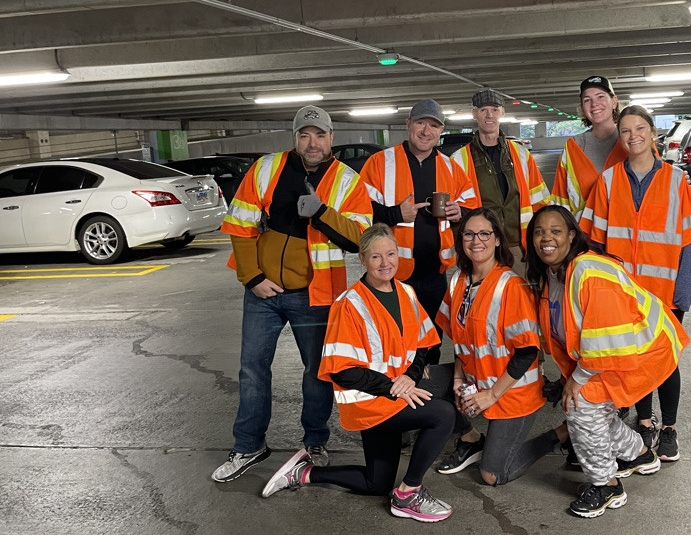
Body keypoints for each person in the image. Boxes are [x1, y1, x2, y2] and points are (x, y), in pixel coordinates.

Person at [212, 104, 373, 483]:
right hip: (263, 293)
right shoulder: (267, 168)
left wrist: (321, 213)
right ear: (296, 138)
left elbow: (359, 238)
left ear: (331, 138)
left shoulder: (348, 181)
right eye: (304, 135)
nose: (312, 142)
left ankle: (315, 441)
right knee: (252, 370)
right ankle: (248, 444)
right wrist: (252, 277)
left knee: (317, 374)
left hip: (315, 295)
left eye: (319, 135)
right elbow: (240, 224)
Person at [260, 224, 456, 522]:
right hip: (371, 403)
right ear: (362, 259)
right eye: (376, 257)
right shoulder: (349, 304)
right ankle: (409, 494)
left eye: (390, 254)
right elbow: (342, 372)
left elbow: (424, 344)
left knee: (376, 484)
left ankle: (305, 472)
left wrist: (410, 377)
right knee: (443, 414)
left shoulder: (406, 291)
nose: (385, 262)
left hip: (395, 394)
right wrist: (394, 386)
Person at [526, 205, 689, 518]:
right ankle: (639, 455)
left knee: (580, 406)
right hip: (617, 353)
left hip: (640, 350)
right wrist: (569, 376)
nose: (546, 238)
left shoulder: (587, 272)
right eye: (539, 232)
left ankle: (607, 485)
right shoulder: (555, 274)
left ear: (572, 236)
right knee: (594, 406)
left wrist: (576, 380)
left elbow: (604, 338)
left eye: (555, 231)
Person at [581, 105, 691, 462]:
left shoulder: (675, 180)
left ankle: (669, 428)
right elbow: (594, 243)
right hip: (625, 296)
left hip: (665, 292)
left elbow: (686, 243)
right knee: (634, 362)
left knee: (666, 361)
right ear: (620, 137)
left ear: (652, 133)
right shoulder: (608, 181)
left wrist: (681, 295)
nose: (633, 136)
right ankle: (645, 422)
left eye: (639, 128)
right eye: (625, 131)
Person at [433, 207, 566, 484]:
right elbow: (462, 341)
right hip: (475, 379)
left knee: (493, 475)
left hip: (512, 392)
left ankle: (561, 435)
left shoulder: (511, 286)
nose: (476, 240)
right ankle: (470, 439)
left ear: (496, 240)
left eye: (484, 233)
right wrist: (458, 378)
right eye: (469, 234)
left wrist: (490, 396)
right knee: (417, 387)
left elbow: (528, 352)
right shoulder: (458, 280)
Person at [358, 99, 467, 365]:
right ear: (408, 125)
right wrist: (396, 214)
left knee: (431, 343)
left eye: (433, 126)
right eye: (420, 123)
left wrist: (459, 213)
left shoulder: (451, 167)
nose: (426, 131)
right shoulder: (379, 163)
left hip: (435, 275)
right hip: (391, 273)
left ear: (440, 131)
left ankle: (426, 399)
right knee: (392, 340)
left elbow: (472, 209)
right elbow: (359, 212)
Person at [451, 89, 549, 267]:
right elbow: (455, 211)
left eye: (494, 109)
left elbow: (540, 201)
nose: (489, 115)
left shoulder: (521, 154)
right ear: (475, 114)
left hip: (519, 247)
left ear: (502, 112)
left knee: (521, 293)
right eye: (483, 110)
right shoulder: (458, 160)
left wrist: (539, 240)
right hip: (481, 248)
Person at [551, 76, 627, 220]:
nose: (594, 104)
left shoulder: (633, 140)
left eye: (600, 96)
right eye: (587, 100)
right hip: (586, 235)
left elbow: (659, 183)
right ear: (582, 108)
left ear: (614, 102)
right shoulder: (574, 147)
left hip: (626, 233)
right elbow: (561, 199)